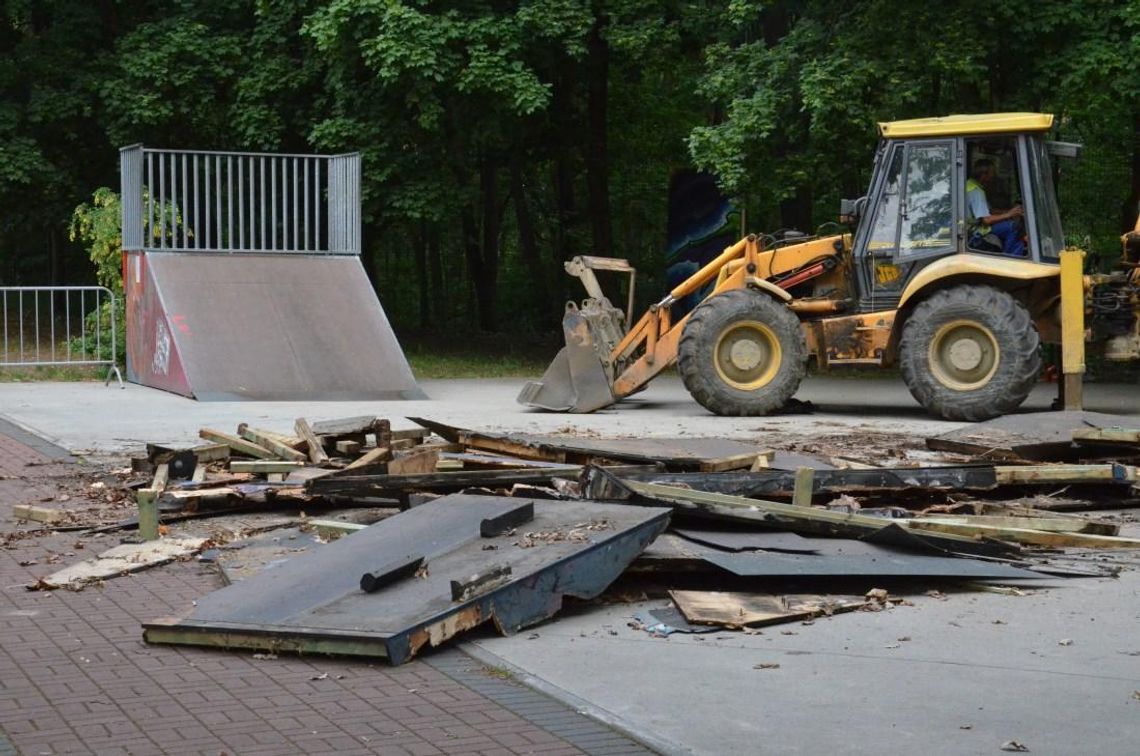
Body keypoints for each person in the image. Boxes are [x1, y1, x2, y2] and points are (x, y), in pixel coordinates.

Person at [966, 158, 1026, 256]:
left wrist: (1010, 211)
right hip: (977, 230)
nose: (994, 177)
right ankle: (1010, 259)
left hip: (974, 227)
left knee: (1008, 223)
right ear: (984, 175)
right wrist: (1008, 214)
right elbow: (986, 220)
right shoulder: (976, 192)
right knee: (1014, 227)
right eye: (992, 173)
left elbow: (988, 211)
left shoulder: (970, 184)